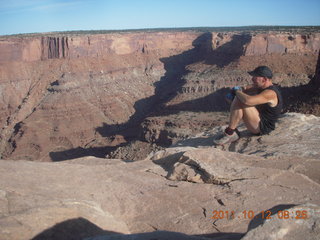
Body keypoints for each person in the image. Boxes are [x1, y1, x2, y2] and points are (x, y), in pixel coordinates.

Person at [214, 66, 283, 145]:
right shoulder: (261, 86)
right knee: (239, 98)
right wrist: (238, 90)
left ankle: (230, 133)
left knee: (240, 99)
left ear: (264, 79)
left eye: (255, 77)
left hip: (262, 127)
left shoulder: (270, 93)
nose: (252, 79)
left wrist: (236, 91)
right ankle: (232, 131)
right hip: (258, 120)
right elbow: (245, 88)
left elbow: (248, 101)